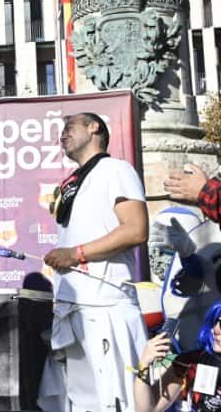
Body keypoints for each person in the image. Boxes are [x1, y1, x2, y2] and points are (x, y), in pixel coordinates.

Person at [38, 112, 149, 412]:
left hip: (106, 306)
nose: (62, 135)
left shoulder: (116, 169)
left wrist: (76, 253)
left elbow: (136, 229)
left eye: (69, 127)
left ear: (94, 127)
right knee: (78, 403)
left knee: (116, 401)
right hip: (72, 310)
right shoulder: (71, 183)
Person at [133, 300, 221, 411]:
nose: (215, 329)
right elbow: (147, 410)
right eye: (215, 321)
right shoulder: (190, 361)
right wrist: (144, 364)